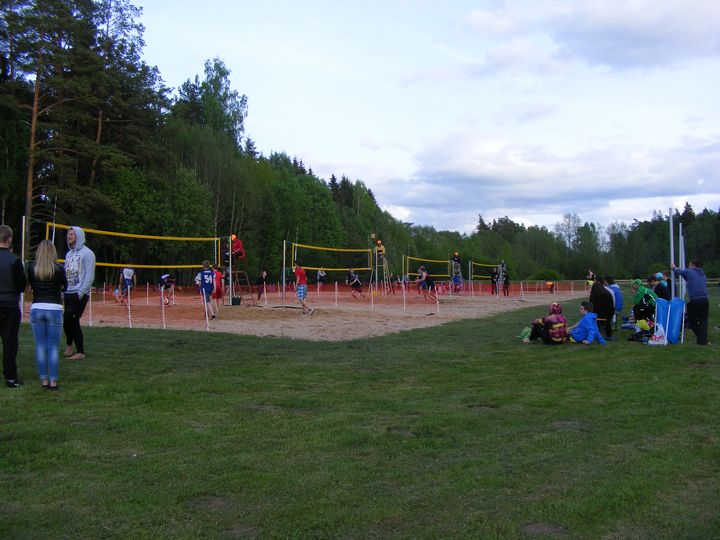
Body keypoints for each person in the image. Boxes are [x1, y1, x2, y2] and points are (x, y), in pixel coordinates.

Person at [27, 240, 67, 390]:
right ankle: (53, 381)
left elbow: (32, 285)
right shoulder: (59, 269)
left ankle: (44, 380)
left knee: (40, 346)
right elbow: (65, 287)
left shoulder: (32, 268)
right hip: (54, 308)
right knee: (53, 347)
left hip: (37, 307)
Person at [63, 226, 96, 361]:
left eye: (72, 234)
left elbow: (89, 275)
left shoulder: (88, 254)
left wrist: (81, 293)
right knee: (67, 321)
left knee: (71, 320)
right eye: (68, 234)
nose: (69, 236)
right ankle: (69, 345)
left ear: (79, 236)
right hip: (68, 292)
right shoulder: (68, 254)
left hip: (79, 293)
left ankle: (80, 352)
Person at [0, 225, 26, 388]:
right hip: (9, 305)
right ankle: (10, 377)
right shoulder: (15, 260)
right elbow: (21, 286)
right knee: (9, 343)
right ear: (9, 240)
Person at [671, 260, 709, 345]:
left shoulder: (689, 272)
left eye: (689, 265)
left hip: (695, 300)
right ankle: (702, 340)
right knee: (703, 320)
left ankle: (701, 338)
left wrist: (674, 267)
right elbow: (688, 279)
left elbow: (679, 271)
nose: (688, 267)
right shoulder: (702, 274)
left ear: (693, 266)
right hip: (705, 299)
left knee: (692, 320)